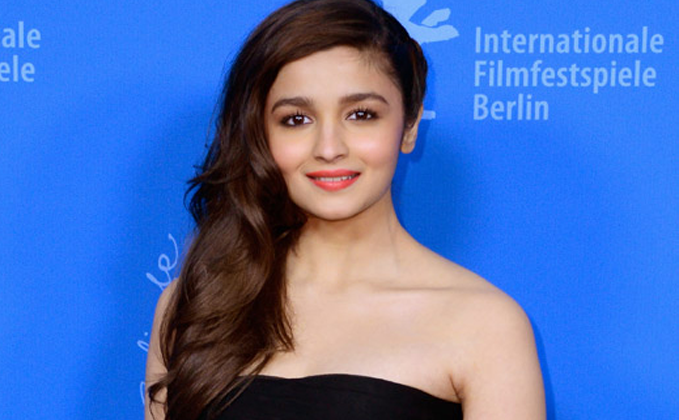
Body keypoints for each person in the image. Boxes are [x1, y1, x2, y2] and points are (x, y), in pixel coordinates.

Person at [145, 0, 545, 419]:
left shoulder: (484, 325)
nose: (329, 148)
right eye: (296, 119)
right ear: (259, 133)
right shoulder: (195, 305)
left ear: (409, 126)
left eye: (361, 114)